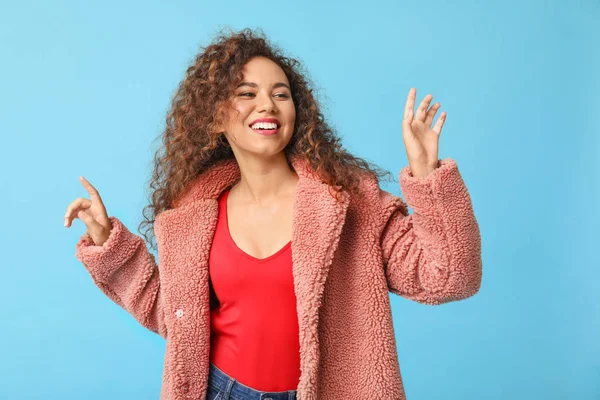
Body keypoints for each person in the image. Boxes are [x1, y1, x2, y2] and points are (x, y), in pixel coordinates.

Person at [64, 28, 482, 400]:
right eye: (247, 93)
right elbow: (173, 315)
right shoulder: (192, 215)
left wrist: (428, 178)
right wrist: (107, 243)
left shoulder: (351, 203)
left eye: (280, 94)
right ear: (214, 119)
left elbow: (450, 277)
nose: (267, 104)